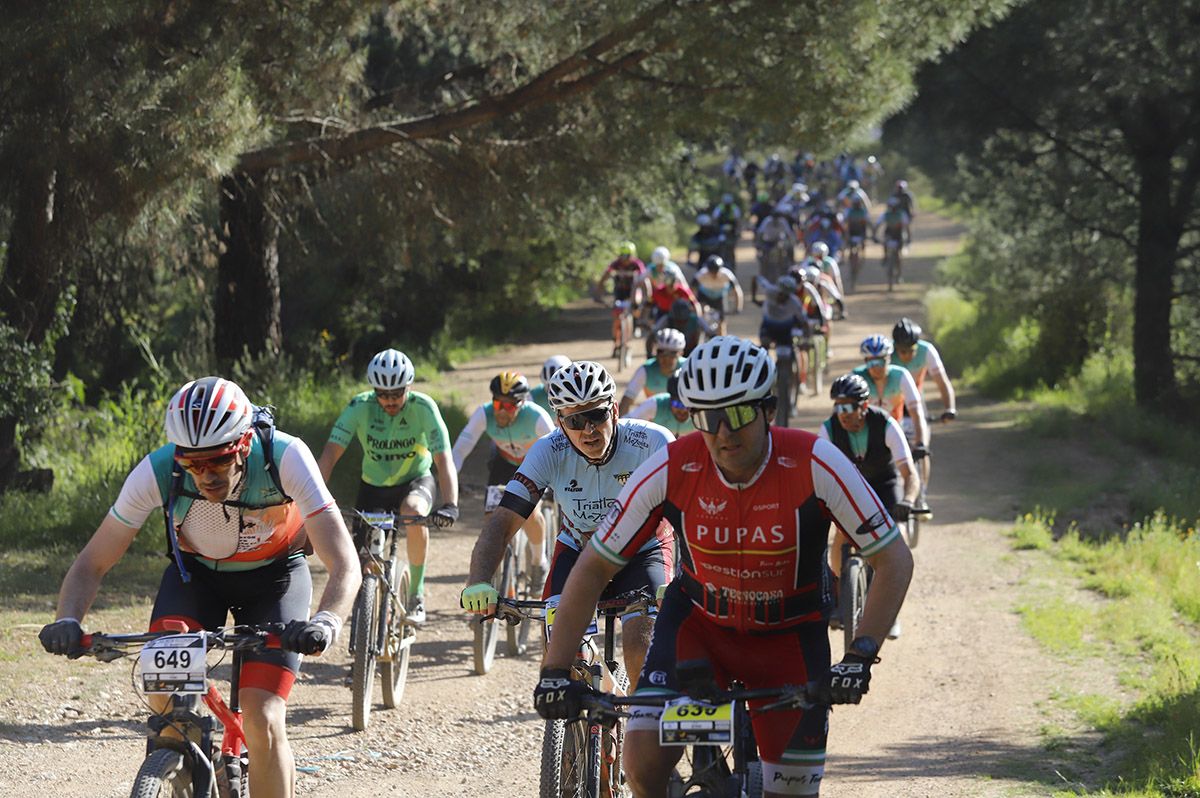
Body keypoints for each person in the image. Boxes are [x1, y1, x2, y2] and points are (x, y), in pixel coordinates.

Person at [532, 337, 914, 798]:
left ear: (768, 410)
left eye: (736, 414)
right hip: (698, 629)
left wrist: (859, 655)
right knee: (642, 766)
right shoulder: (673, 465)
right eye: (705, 418)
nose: (722, 433)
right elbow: (592, 568)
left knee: (789, 791)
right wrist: (555, 671)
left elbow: (892, 558)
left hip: (788, 640)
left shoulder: (814, 461)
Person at [39, 377, 361, 798]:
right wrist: (68, 618)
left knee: (262, 718)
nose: (205, 476)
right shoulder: (157, 470)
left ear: (244, 445)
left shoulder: (286, 457)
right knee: (168, 707)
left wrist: (326, 621)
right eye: (192, 464)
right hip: (196, 579)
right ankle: (181, 763)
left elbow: (344, 562)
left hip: (276, 579)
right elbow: (92, 562)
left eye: (218, 462)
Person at [461, 361, 675, 685]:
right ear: (560, 422)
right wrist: (479, 579)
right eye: (576, 420)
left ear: (615, 411)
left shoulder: (653, 442)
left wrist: (687, 576)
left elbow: (689, 511)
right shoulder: (548, 450)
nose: (588, 430)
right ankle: (574, 721)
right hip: (578, 550)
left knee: (639, 646)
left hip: (643, 551)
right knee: (557, 659)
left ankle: (641, 723)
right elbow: (503, 521)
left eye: (597, 415)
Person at [317, 348, 459, 625]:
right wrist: (314, 499)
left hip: (415, 481)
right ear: (374, 390)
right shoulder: (359, 407)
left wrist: (451, 504)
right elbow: (329, 455)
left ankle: (416, 594)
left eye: (397, 393)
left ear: (409, 387)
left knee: (414, 510)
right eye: (383, 394)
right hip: (373, 488)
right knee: (363, 562)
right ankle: (367, 626)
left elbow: (443, 459)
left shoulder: (423, 407)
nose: (390, 400)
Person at [819, 373, 920, 639]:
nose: (842, 413)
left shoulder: (885, 424)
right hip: (851, 488)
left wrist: (907, 501)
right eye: (838, 406)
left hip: (885, 485)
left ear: (864, 406)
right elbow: (817, 473)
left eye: (849, 407)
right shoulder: (828, 430)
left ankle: (890, 611)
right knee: (841, 536)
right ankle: (843, 596)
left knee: (896, 535)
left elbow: (909, 474)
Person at [451, 371, 555, 583]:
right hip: (503, 463)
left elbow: (558, 450)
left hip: (532, 466)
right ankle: (496, 579)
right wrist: (450, 480)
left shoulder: (535, 416)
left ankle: (538, 561)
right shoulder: (484, 414)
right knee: (492, 518)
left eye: (509, 406)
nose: (502, 411)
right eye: (498, 404)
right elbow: (460, 450)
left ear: (521, 404)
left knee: (530, 513)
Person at [853, 336, 929, 511]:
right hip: (869, 436)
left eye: (880, 361)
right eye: (870, 363)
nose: (876, 368)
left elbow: (916, 411)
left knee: (910, 460)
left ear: (889, 358)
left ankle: (919, 494)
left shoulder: (901, 375)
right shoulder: (857, 377)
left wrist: (921, 441)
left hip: (898, 428)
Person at [891, 317, 956, 512]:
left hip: (917, 405)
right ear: (895, 348)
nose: (908, 355)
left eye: (912, 350)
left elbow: (942, 381)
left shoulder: (926, 350)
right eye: (902, 351)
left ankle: (923, 494)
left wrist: (949, 408)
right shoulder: (888, 356)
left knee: (922, 447)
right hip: (895, 406)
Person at [594, 241, 650, 356]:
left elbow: (644, 280)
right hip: (619, 293)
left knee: (636, 305)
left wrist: (647, 296)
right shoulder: (616, 264)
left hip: (634, 292)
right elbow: (605, 275)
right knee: (616, 317)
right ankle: (616, 343)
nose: (624, 259)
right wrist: (599, 292)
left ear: (632, 255)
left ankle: (636, 322)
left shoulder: (637, 264)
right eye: (622, 256)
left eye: (627, 256)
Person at [620, 328, 686, 415]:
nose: (666, 359)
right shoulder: (646, 370)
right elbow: (627, 400)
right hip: (657, 416)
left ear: (681, 353)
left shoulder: (688, 368)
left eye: (672, 354)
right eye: (661, 353)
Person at [690, 254, 744, 336]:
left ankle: (722, 342)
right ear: (708, 270)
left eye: (716, 271)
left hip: (719, 297)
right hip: (704, 296)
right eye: (711, 271)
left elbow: (737, 291)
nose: (714, 274)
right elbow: (691, 290)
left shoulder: (727, 274)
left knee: (722, 324)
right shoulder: (701, 274)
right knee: (700, 318)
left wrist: (738, 307)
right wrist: (693, 305)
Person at [628, 373, 694, 436]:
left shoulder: (701, 412)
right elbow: (627, 424)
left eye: (686, 405)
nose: (682, 410)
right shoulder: (654, 404)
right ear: (669, 398)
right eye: (676, 404)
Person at [650, 297, 718, 357]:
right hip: (671, 353)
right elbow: (653, 334)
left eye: (683, 321)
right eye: (678, 321)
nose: (680, 324)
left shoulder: (697, 320)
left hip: (693, 353)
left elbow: (710, 333)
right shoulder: (667, 319)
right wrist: (650, 354)